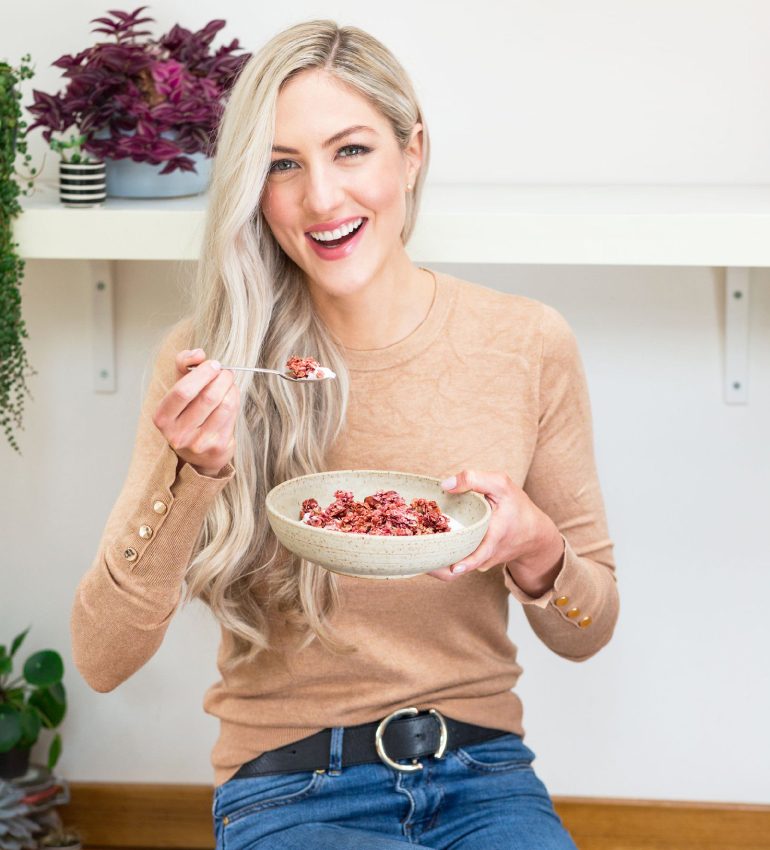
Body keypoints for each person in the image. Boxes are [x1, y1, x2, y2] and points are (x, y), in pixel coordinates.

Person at [71, 19, 619, 850]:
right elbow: (101, 657)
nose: (321, 199)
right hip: (290, 790)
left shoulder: (528, 342)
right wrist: (189, 475)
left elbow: (591, 629)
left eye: (351, 150)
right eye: (282, 165)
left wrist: (535, 546)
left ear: (413, 153)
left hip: (485, 779)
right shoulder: (213, 362)